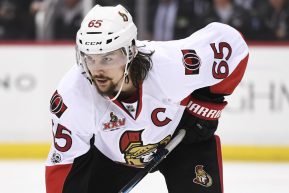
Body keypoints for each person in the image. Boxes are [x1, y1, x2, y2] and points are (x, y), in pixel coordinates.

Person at [45, 4, 249, 193]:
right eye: (90, 58)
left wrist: (206, 106)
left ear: (130, 52)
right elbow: (63, 165)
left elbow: (233, 44)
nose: (97, 69)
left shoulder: (172, 66)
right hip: (111, 159)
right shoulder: (72, 96)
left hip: (183, 140)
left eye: (107, 58)